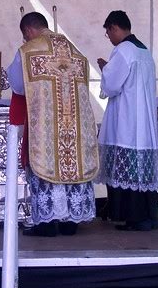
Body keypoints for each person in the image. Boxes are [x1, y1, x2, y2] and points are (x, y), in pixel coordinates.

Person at [7, 12, 99, 236]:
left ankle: (47, 223)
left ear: (28, 30)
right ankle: (70, 222)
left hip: (46, 125)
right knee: (72, 165)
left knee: (47, 165)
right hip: (74, 123)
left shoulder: (29, 51)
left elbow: (18, 85)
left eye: (24, 36)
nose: (24, 40)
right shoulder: (75, 51)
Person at [96, 10, 158, 231]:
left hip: (127, 119)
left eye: (108, 32)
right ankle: (149, 216)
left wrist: (104, 69)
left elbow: (112, 85)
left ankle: (134, 218)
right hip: (143, 120)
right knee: (140, 171)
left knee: (128, 170)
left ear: (114, 27)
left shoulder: (123, 50)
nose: (109, 38)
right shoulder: (144, 51)